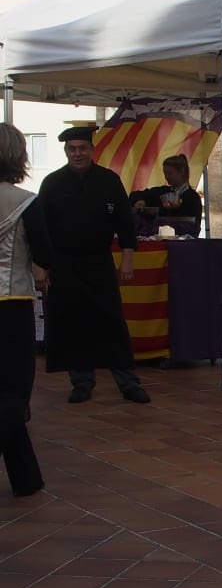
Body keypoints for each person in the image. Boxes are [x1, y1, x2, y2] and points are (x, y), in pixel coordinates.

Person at [38, 125, 151, 405]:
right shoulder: (51, 183)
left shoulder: (109, 181)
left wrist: (127, 260)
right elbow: (41, 229)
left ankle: (128, 382)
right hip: (64, 264)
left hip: (99, 262)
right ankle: (81, 382)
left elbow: (125, 224)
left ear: (92, 150)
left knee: (111, 322)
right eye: (72, 149)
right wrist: (41, 266)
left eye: (82, 148)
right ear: (66, 152)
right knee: (72, 324)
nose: (77, 154)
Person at [0, 124, 51, 497]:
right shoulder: (26, 202)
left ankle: (26, 478)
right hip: (12, 303)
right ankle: (26, 479)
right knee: (14, 392)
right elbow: (46, 255)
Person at [129, 153, 202, 237]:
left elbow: (193, 227)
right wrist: (139, 200)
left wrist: (175, 209)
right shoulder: (161, 192)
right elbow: (135, 194)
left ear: (182, 172)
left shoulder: (192, 198)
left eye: (170, 173)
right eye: (165, 173)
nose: (166, 177)